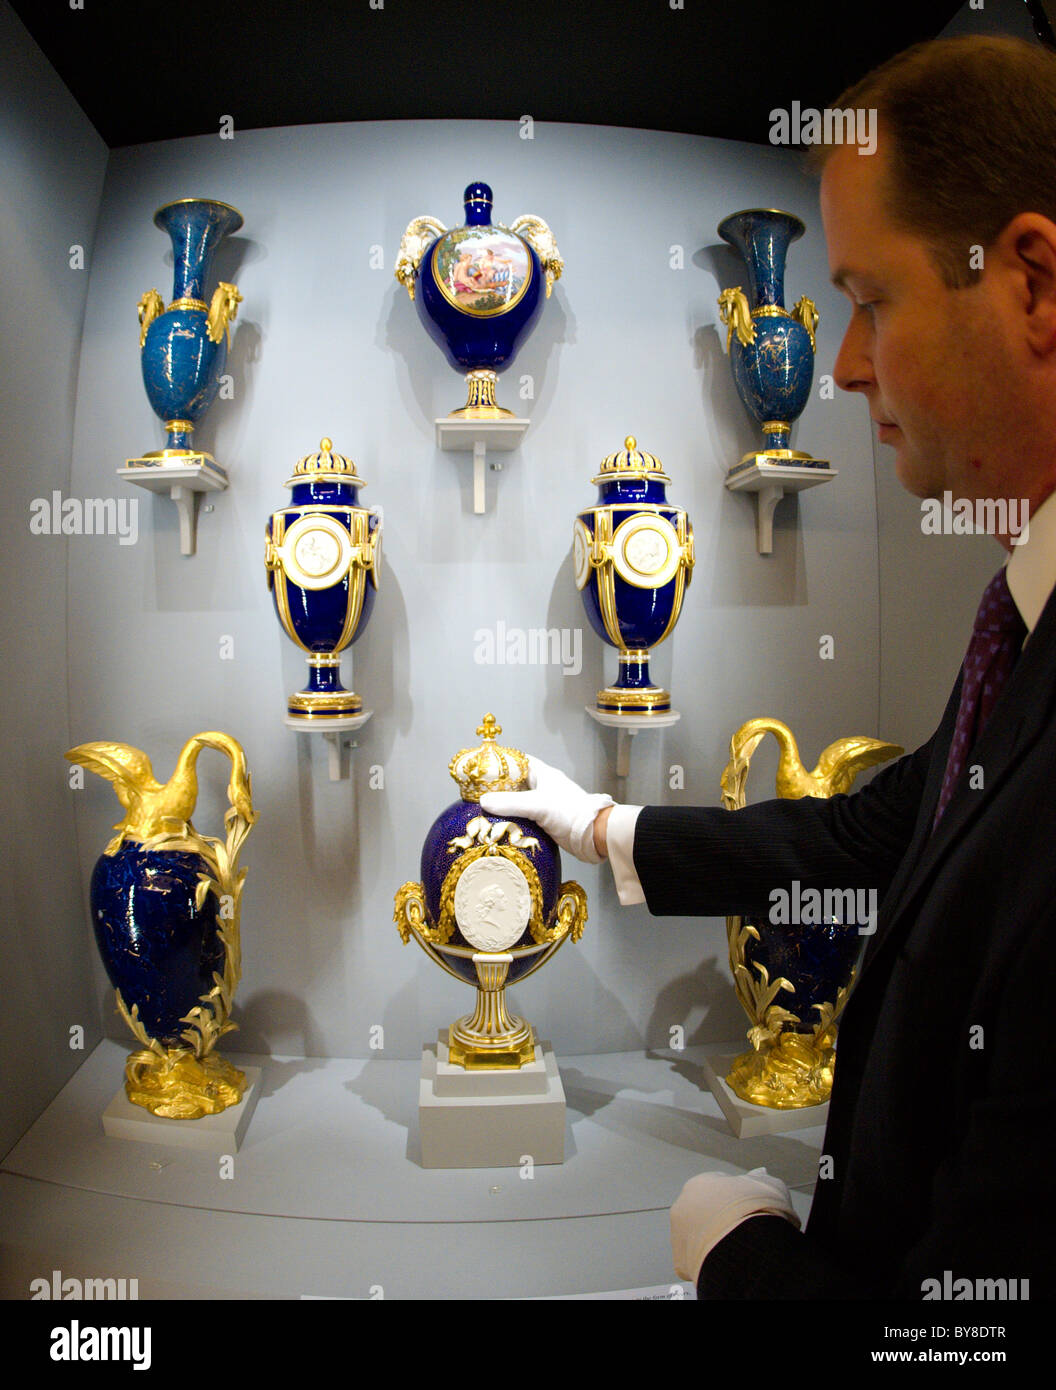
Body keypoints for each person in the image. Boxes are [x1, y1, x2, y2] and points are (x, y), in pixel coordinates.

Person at [481, 34, 1056, 1299]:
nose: (845, 363)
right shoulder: (1021, 623)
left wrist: (738, 1257)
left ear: (1031, 285)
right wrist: (598, 822)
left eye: (871, 298)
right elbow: (864, 838)